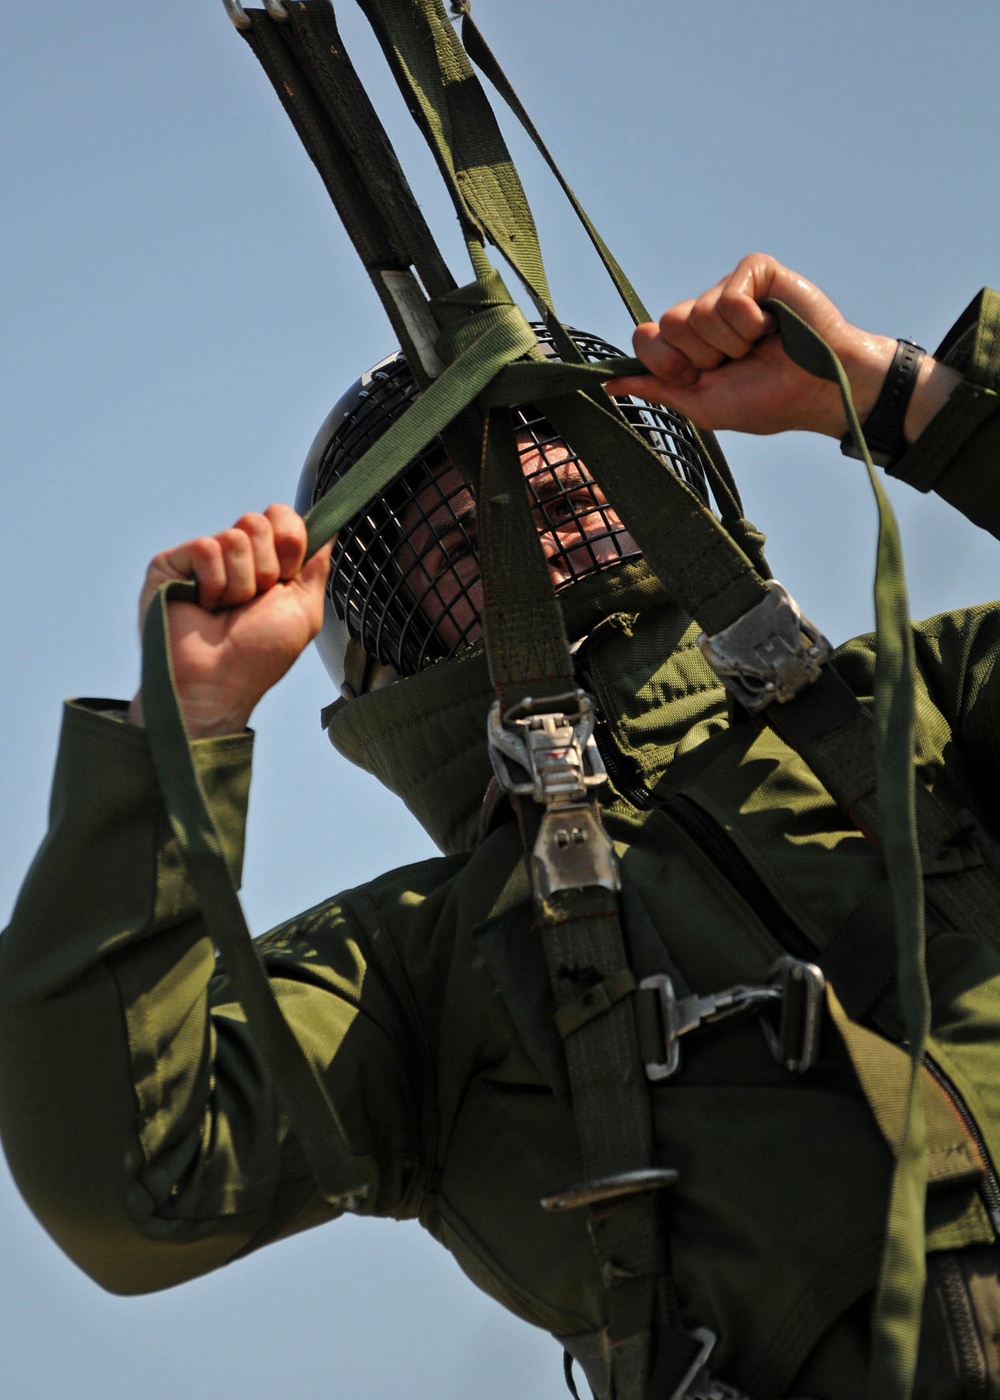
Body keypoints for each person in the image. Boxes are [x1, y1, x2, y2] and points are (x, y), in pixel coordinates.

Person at [2, 252, 999, 1399]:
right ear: (395, 636)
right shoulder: (415, 965)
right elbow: (133, 1186)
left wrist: (896, 396)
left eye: (571, 500)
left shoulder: (916, 705)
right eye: (465, 550)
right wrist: (174, 739)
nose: (541, 542)